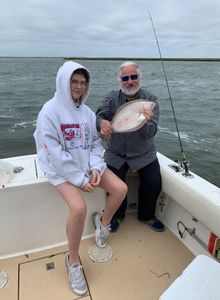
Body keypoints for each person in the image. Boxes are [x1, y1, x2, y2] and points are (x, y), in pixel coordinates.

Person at [33, 61, 127, 296]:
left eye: (83, 83)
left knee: (121, 189)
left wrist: (95, 167)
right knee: (78, 208)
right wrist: (78, 179)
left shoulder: (87, 112)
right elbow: (53, 152)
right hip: (59, 171)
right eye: (74, 81)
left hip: (86, 165)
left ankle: (103, 226)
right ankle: (73, 260)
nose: (78, 87)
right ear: (63, 81)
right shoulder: (49, 111)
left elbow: (95, 143)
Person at [96, 61, 164, 233]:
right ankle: (117, 215)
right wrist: (102, 123)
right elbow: (98, 116)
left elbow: (151, 133)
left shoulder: (151, 100)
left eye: (134, 77)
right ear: (120, 80)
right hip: (116, 152)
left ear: (139, 78)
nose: (130, 81)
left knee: (154, 182)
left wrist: (143, 121)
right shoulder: (111, 97)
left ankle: (146, 216)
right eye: (125, 78)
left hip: (144, 153)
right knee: (113, 185)